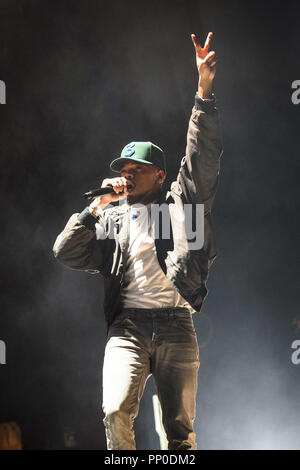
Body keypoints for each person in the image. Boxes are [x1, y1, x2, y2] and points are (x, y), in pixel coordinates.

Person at [53, 32, 222, 450]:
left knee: (178, 434)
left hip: (175, 322)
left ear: (159, 175)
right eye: (123, 168)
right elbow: (66, 251)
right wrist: (97, 207)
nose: (127, 173)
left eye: (137, 168)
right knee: (114, 412)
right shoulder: (112, 216)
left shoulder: (182, 202)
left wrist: (203, 92)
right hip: (126, 328)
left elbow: (201, 158)